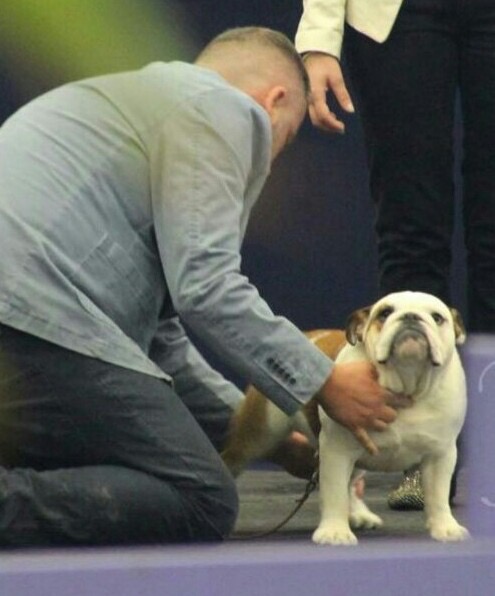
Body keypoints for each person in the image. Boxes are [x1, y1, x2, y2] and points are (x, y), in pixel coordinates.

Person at [0, 27, 399, 547]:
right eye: (288, 136)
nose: (273, 158)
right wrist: (323, 382)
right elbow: (207, 288)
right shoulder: (224, 111)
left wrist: (271, 439)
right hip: (29, 322)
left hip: (26, 321)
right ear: (273, 100)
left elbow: (160, 342)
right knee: (201, 498)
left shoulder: (137, 106)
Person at [295, 0, 495, 507]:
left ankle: (492, 457)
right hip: (398, 15)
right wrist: (319, 37)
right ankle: (422, 462)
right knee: (411, 226)